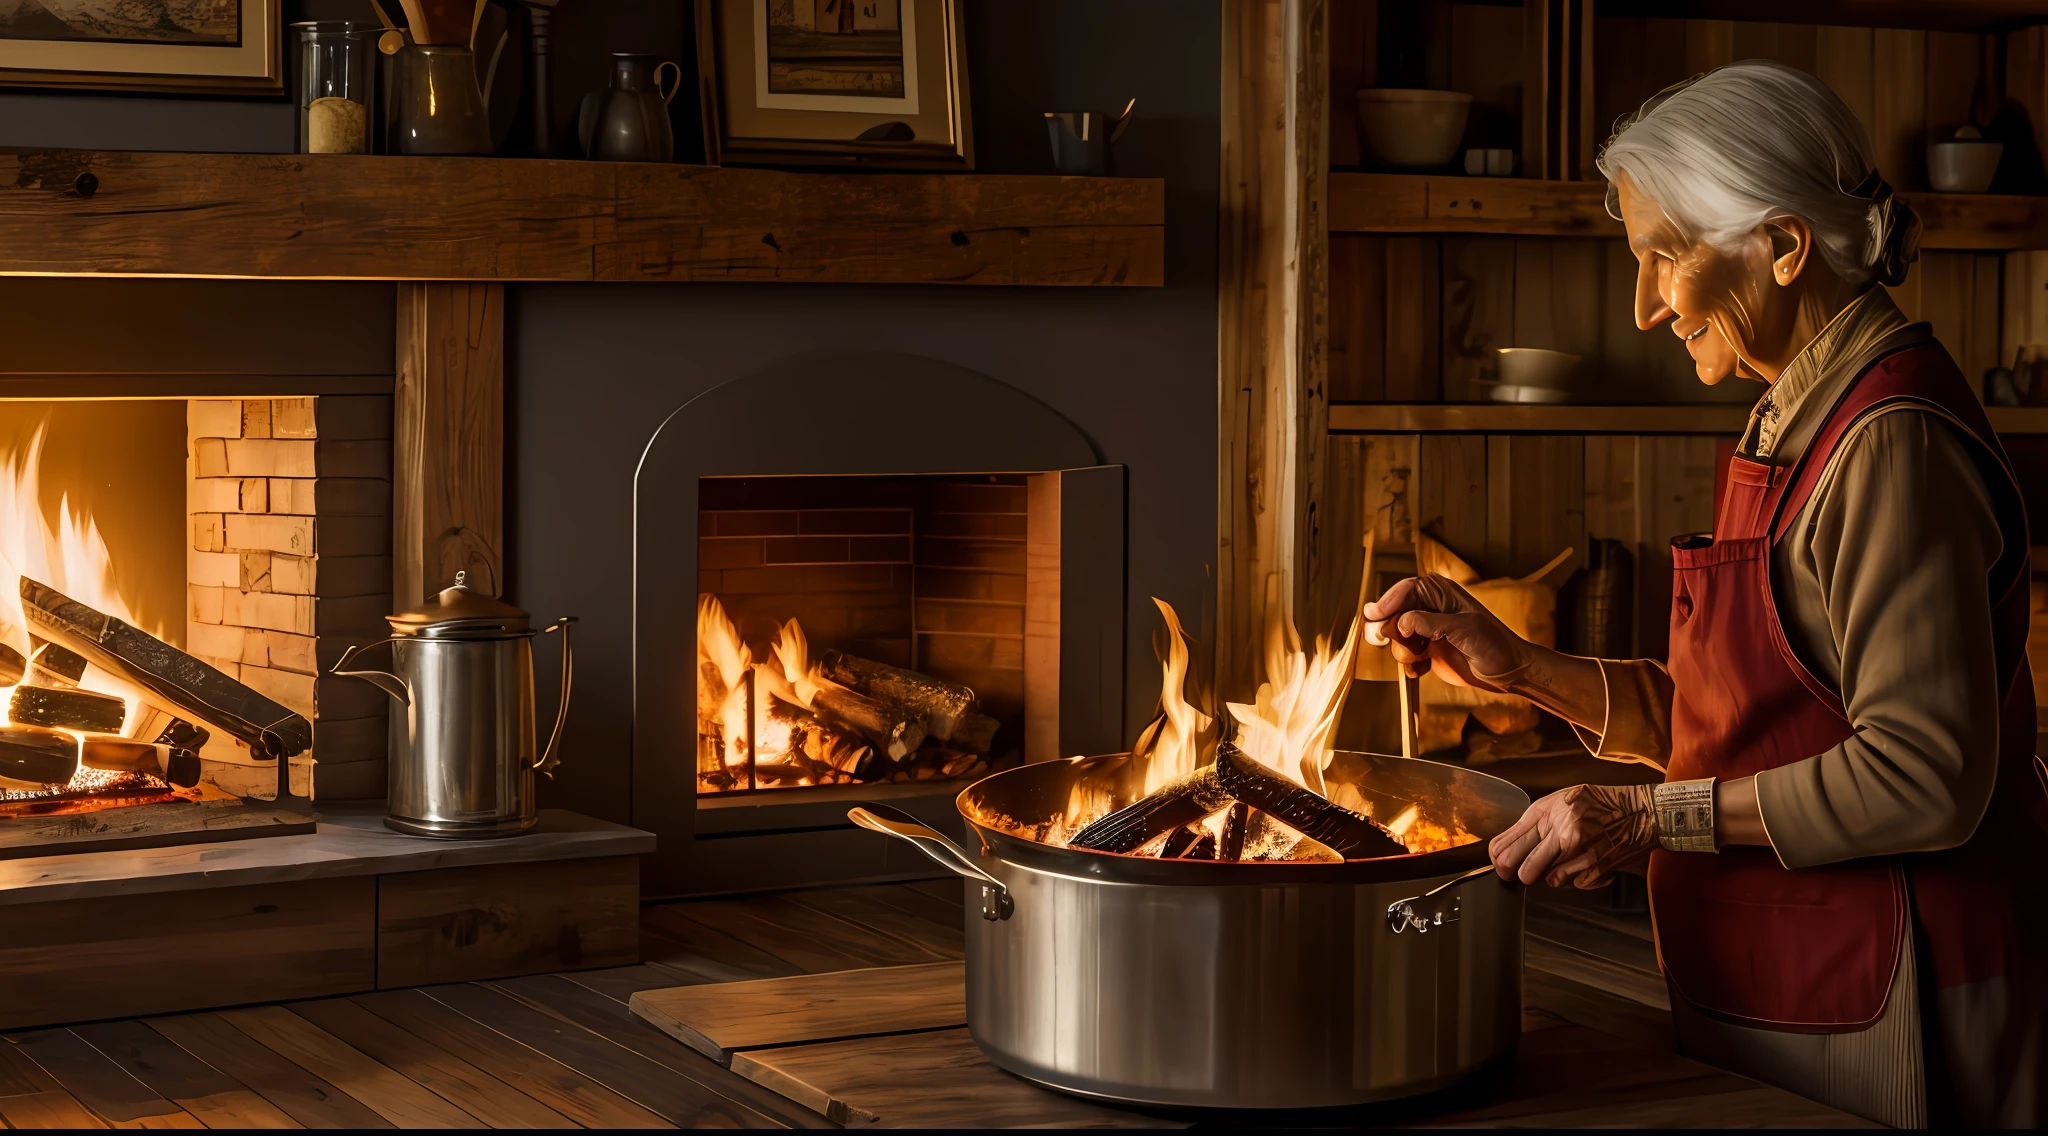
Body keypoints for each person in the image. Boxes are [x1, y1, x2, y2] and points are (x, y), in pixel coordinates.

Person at [1364, 61, 2046, 1127]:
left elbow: (1921, 775)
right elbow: (1753, 724)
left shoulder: (1886, 442)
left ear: (1780, 247)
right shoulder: (1796, 411)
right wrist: (1523, 668)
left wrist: (1647, 816)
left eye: (1662, 257)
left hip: (1893, 997)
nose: (1641, 307)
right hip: (1801, 974)